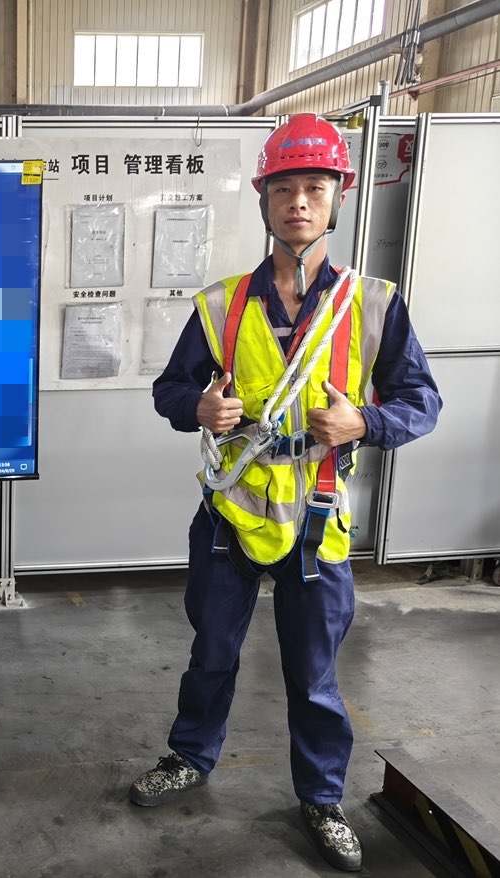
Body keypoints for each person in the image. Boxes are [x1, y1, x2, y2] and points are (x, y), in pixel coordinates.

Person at [135, 114, 442, 872]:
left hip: (317, 520)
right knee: (212, 651)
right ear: (264, 199)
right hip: (229, 514)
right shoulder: (222, 305)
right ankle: (190, 756)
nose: (298, 202)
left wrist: (363, 421)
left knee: (313, 674)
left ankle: (322, 797)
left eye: (314, 187)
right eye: (283, 188)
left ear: (337, 198)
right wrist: (198, 407)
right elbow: (169, 389)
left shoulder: (373, 303)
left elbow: (421, 401)